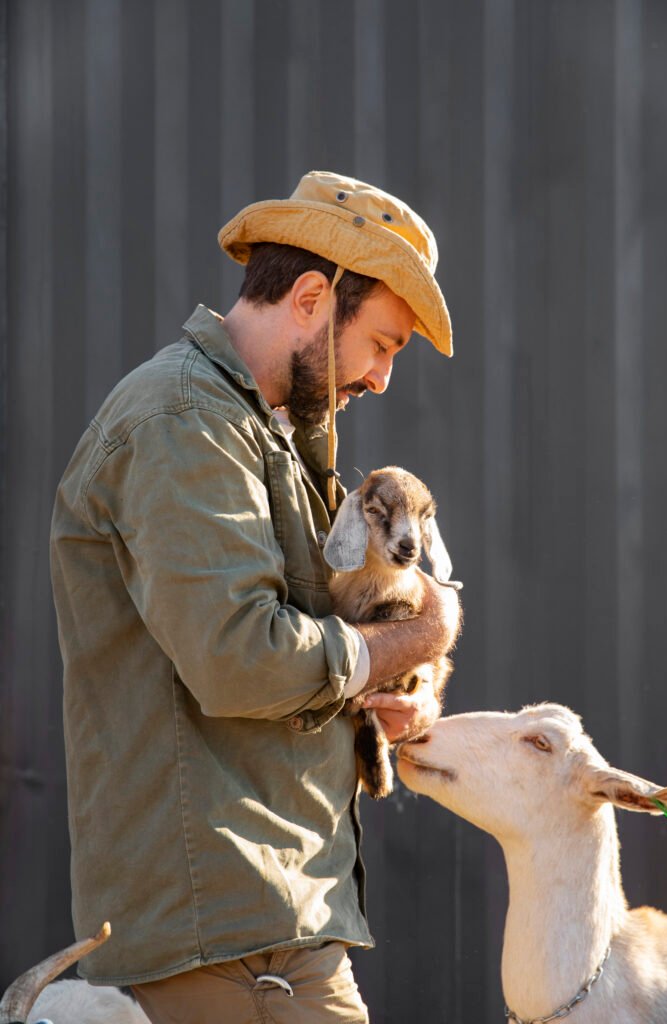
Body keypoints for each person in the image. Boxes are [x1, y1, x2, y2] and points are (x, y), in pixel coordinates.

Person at [50, 171, 459, 1024]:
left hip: (268, 919)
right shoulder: (183, 421)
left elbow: (304, 658)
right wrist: (419, 635)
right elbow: (241, 659)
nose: (383, 378)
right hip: (234, 935)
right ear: (311, 297)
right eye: (382, 343)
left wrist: (386, 695)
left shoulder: (264, 433)